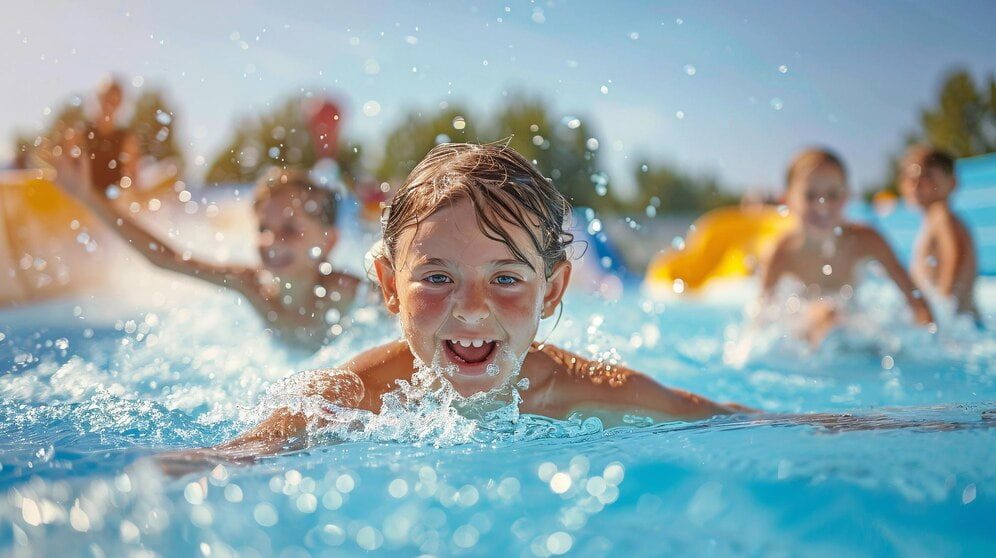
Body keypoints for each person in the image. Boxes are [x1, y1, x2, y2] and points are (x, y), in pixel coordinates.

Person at [154, 143, 743, 469]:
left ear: (554, 291)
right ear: (388, 286)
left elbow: (721, 417)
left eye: (506, 278)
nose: (469, 308)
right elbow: (241, 452)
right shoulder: (358, 392)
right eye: (436, 276)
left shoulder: (581, 387)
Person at [41, 142, 363, 351]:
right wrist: (87, 197)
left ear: (329, 241)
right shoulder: (252, 285)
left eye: (290, 229)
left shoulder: (347, 291)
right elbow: (164, 259)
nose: (270, 241)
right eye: (264, 228)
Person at [758, 148, 933, 345]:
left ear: (846, 196)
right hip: (801, 328)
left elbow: (916, 299)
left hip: (854, 323)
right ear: (787, 199)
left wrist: (931, 339)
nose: (822, 205)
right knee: (823, 314)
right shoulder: (781, 252)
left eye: (832, 195)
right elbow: (760, 320)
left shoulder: (867, 240)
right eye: (810, 196)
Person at [898, 145, 979, 323]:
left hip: (956, 323)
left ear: (952, 183)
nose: (916, 183)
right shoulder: (934, 220)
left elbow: (954, 257)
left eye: (926, 176)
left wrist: (943, 308)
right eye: (910, 176)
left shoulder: (941, 215)